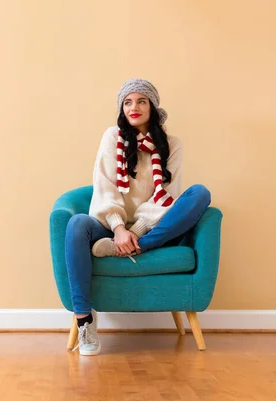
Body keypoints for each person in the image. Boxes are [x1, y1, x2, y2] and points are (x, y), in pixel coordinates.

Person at [66, 78, 211, 356]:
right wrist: (119, 228)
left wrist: (139, 230)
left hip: (154, 227)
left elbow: (168, 193)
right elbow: (105, 184)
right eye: (128, 102)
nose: (134, 107)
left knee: (200, 194)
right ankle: (85, 321)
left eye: (141, 101)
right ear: (122, 109)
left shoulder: (172, 144)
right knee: (76, 225)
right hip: (110, 227)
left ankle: (135, 248)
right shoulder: (113, 137)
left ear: (152, 107)